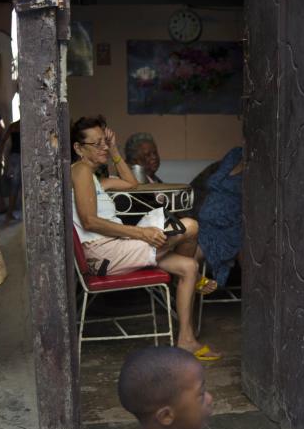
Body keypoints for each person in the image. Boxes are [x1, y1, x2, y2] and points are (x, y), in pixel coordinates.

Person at [71, 115, 220, 360]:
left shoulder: (96, 179)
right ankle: (179, 285)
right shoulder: (80, 172)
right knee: (190, 226)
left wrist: (115, 150)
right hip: (104, 253)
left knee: (189, 265)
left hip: (117, 249)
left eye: (104, 142)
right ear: (78, 148)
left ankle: (186, 340)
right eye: (96, 144)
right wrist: (142, 233)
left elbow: (132, 183)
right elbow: (90, 221)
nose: (103, 148)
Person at [197, 146, 244, 287]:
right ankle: (187, 284)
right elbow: (211, 183)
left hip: (230, 226)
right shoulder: (235, 153)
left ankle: (191, 283)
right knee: (184, 245)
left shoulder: (261, 166)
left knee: (189, 255)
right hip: (204, 221)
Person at [0, 119, 23, 222]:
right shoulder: (26, 124)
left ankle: (9, 213)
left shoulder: (13, 126)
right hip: (22, 156)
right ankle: (12, 213)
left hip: (13, 156)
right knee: (20, 186)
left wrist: (1, 156)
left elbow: (3, 141)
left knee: (14, 186)